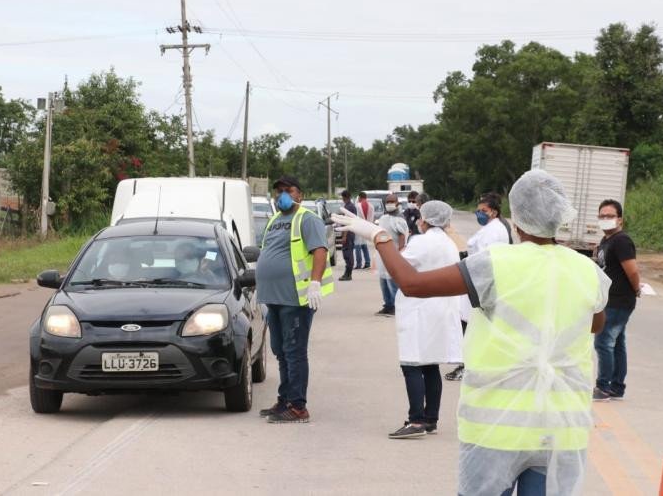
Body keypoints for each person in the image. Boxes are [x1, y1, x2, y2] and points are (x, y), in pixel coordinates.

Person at [334, 169, 611, 496]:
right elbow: (594, 324)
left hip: (496, 430)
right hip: (560, 429)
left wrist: (380, 237)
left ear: (516, 219)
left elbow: (412, 284)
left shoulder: (495, 263)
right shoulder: (586, 270)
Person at [256, 175, 334, 423]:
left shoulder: (307, 219)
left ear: (300, 194)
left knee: (294, 351)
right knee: (280, 350)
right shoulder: (275, 220)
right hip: (273, 297)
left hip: (295, 298)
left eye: (287, 190)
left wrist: (315, 283)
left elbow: (319, 251)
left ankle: (298, 406)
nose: (282, 195)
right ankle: (285, 400)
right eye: (277, 191)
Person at [389, 200, 463, 439]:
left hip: (420, 309)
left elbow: (399, 264)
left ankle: (416, 420)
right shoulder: (448, 242)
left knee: (411, 363)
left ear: (426, 220)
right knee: (430, 364)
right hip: (440, 309)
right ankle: (431, 418)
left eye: (421, 217)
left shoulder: (422, 241)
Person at [446, 192, 513, 382]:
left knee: (472, 327)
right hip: (476, 281)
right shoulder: (493, 227)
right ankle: (469, 364)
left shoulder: (496, 230)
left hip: (481, 283)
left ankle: (467, 366)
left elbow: (488, 259)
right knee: (469, 324)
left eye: (483, 211)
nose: (479, 214)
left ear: (493, 211)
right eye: (478, 211)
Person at [593, 199, 640, 401]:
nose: (605, 219)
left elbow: (632, 270)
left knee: (603, 342)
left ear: (620, 219)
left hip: (619, 300)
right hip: (610, 299)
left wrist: (637, 288)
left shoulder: (621, 240)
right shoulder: (606, 240)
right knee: (617, 342)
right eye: (602, 216)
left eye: (609, 216)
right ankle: (617, 387)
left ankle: (603, 387)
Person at [375, 193, 408, 316]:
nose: (389, 204)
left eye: (391, 202)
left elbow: (401, 236)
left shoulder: (399, 219)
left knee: (392, 281)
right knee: (383, 280)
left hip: (393, 254)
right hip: (382, 255)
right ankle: (387, 305)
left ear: (397, 204)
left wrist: (399, 253)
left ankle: (395, 306)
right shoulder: (383, 218)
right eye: (387, 202)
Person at [338, 190, 358, 281]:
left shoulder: (349, 207)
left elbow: (348, 222)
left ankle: (348, 274)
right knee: (347, 253)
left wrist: (344, 236)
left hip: (348, 233)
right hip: (350, 232)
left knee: (347, 253)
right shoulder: (350, 206)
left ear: (345, 197)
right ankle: (348, 273)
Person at [354, 192, 375, 269]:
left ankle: (359, 264)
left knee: (357, 245)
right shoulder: (371, 206)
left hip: (359, 226)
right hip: (367, 227)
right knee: (364, 245)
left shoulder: (357, 205)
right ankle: (367, 262)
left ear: (359, 197)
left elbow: (355, 217)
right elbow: (372, 217)